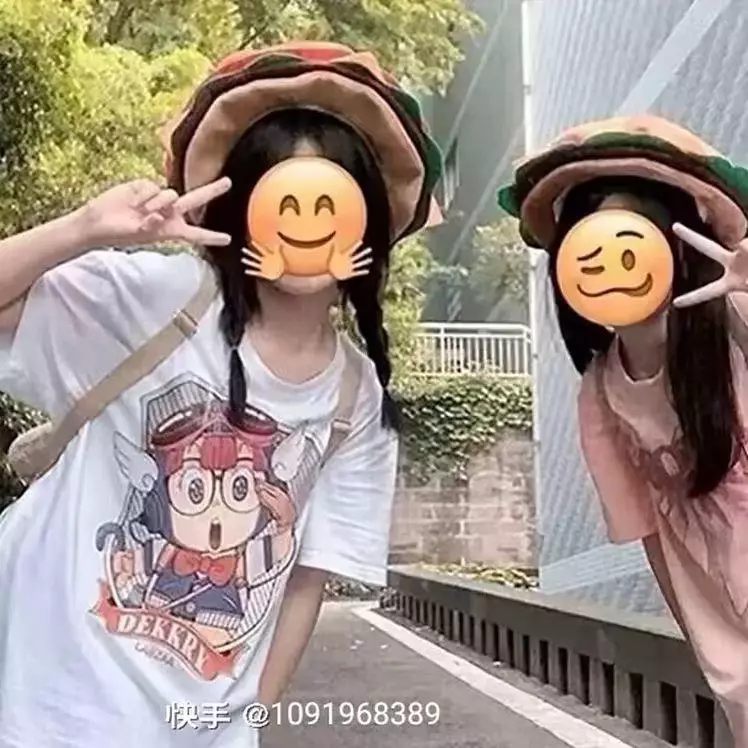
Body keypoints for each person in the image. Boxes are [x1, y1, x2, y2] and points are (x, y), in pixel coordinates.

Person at [0, 42, 442, 747]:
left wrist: (244, 721)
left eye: (330, 201)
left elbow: (307, 580)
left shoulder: (355, 402)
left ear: (368, 226)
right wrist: (83, 229)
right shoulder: (162, 301)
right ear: (242, 214)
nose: (306, 221)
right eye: (281, 198)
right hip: (43, 704)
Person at [499, 114, 748, 742]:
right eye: (589, 247)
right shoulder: (600, 394)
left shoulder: (736, 330)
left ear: (679, 248)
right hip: (733, 644)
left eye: (629, 243)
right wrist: (706, 645)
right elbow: (651, 534)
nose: (609, 264)